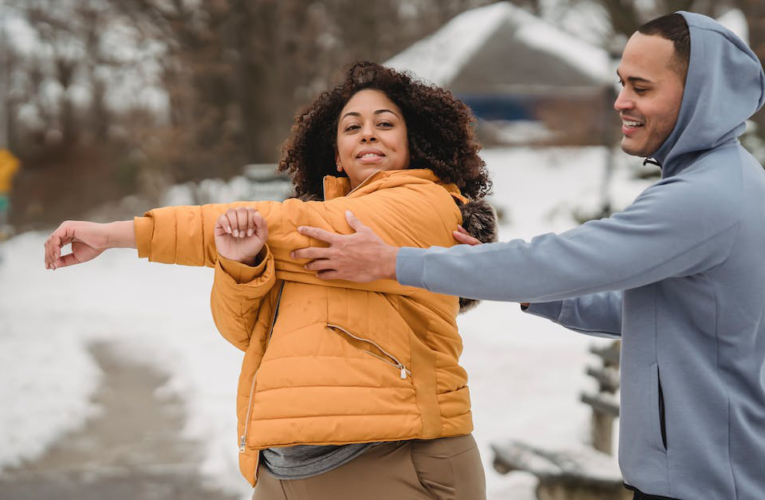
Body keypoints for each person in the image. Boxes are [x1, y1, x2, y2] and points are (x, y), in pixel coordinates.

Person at [290, 13, 765, 500]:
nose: (621, 101)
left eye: (641, 88)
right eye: (621, 83)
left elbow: (562, 260)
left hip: (708, 484)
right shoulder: (720, 180)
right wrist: (530, 292)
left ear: (699, 94)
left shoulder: (705, 197)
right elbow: (651, 311)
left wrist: (393, 262)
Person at [44, 62, 497, 499]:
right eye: (352, 127)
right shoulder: (316, 228)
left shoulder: (428, 203)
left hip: (393, 461)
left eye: (385, 123)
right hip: (285, 470)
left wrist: (117, 234)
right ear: (336, 154)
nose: (368, 134)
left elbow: (284, 223)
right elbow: (243, 332)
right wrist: (244, 264)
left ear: (415, 141)